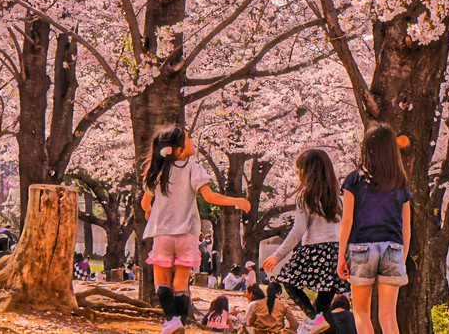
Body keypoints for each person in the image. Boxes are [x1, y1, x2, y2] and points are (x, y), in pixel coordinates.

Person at [141, 125, 252, 334]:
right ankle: (180, 322)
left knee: (162, 280)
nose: (192, 142)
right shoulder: (194, 168)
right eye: (189, 140)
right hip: (187, 233)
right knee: (181, 282)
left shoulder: (156, 171)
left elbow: (145, 203)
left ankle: (171, 320)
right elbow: (210, 197)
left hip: (162, 233)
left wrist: (149, 213)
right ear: (179, 150)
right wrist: (237, 200)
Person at [263, 149, 351, 334]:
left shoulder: (306, 196)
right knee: (323, 306)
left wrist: (277, 256)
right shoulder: (340, 198)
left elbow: (298, 230)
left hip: (314, 251)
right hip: (336, 253)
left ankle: (313, 318)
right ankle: (317, 319)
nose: (298, 175)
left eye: (299, 171)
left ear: (308, 171)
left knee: (288, 281)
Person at [337, 126, 411, 334]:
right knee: (388, 317)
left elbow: (347, 220)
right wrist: (401, 256)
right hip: (393, 248)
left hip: (361, 248)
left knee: (361, 312)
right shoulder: (401, 183)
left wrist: (341, 256)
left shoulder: (354, 180)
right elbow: (406, 226)